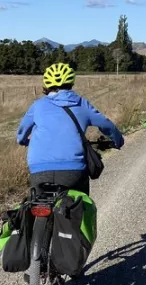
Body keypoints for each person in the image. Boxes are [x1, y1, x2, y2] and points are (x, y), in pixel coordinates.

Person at [16, 63, 125, 195]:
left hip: (39, 169)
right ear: (71, 83)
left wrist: (24, 141)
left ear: (46, 85)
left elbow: (21, 134)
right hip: (73, 170)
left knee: (37, 203)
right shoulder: (81, 103)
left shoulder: (37, 106)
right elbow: (106, 125)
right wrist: (118, 140)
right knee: (80, 205)